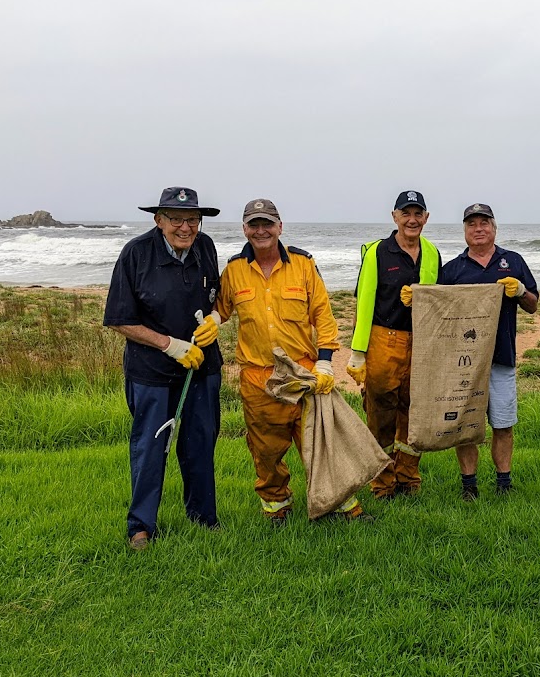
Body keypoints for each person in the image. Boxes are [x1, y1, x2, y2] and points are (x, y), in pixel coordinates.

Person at [213, 198, 367, 526]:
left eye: (267, 223)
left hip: (302, 372)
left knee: (320, 443)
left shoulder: (303, 264)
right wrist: (207, 322)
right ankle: (276, 505)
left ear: (280, 227)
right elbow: (221, 310)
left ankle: (341, 505)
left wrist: (325, 363)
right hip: (257, 378)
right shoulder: (234, 270)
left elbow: (324, 316)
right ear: (244, 230)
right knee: (265, 450)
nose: (261, 230)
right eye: (254, 225)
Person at [104, 186, 223, 551]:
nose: (185, 227)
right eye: (175, 219)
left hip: (202, 368)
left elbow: (216, 297)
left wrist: (216, 318)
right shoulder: (136, 254)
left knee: (200, 443)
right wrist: (169, 345)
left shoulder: (206, 248)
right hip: (151, 371)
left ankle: (204, 518)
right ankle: (140, 527)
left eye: (192, 220)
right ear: (159, 220)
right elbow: (119, 319)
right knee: (150, 447)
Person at [438, 203, 539, 500]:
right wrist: (415, 297)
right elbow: (439, 311)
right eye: (472, 224)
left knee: (503, 423)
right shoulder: (453, 269)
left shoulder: (513, 261)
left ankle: (503, 484)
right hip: (463, 363)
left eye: (484, 223)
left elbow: (533, 305)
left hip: (501, 358)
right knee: (465, 426)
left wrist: (520, 291)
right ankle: (469, 486)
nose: (478, 228)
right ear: (465, 231)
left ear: (495, 228)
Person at [347, 190, 441, 499]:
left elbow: (438, 300)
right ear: (394, 217)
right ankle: (382, 483)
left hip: (422, 344)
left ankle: (408, 478)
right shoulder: (377, 252)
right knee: (381, 413)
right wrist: (358, 353)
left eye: (418, 214)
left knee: (414, 414)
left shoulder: (432, 252)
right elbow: (364, 302)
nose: (412, 220)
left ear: (426, 218)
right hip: (383, 340)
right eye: (406, 213)